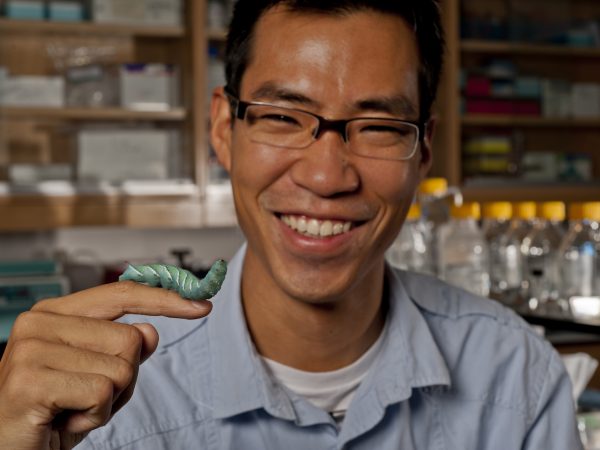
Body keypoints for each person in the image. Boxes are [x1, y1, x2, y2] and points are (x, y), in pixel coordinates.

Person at [0, 1, 583, 449]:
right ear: (224, 130)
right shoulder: (102, 393)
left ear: (424, 150)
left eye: (379, 126)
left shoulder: (515, 374)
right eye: (281, 117)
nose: (328, 176)